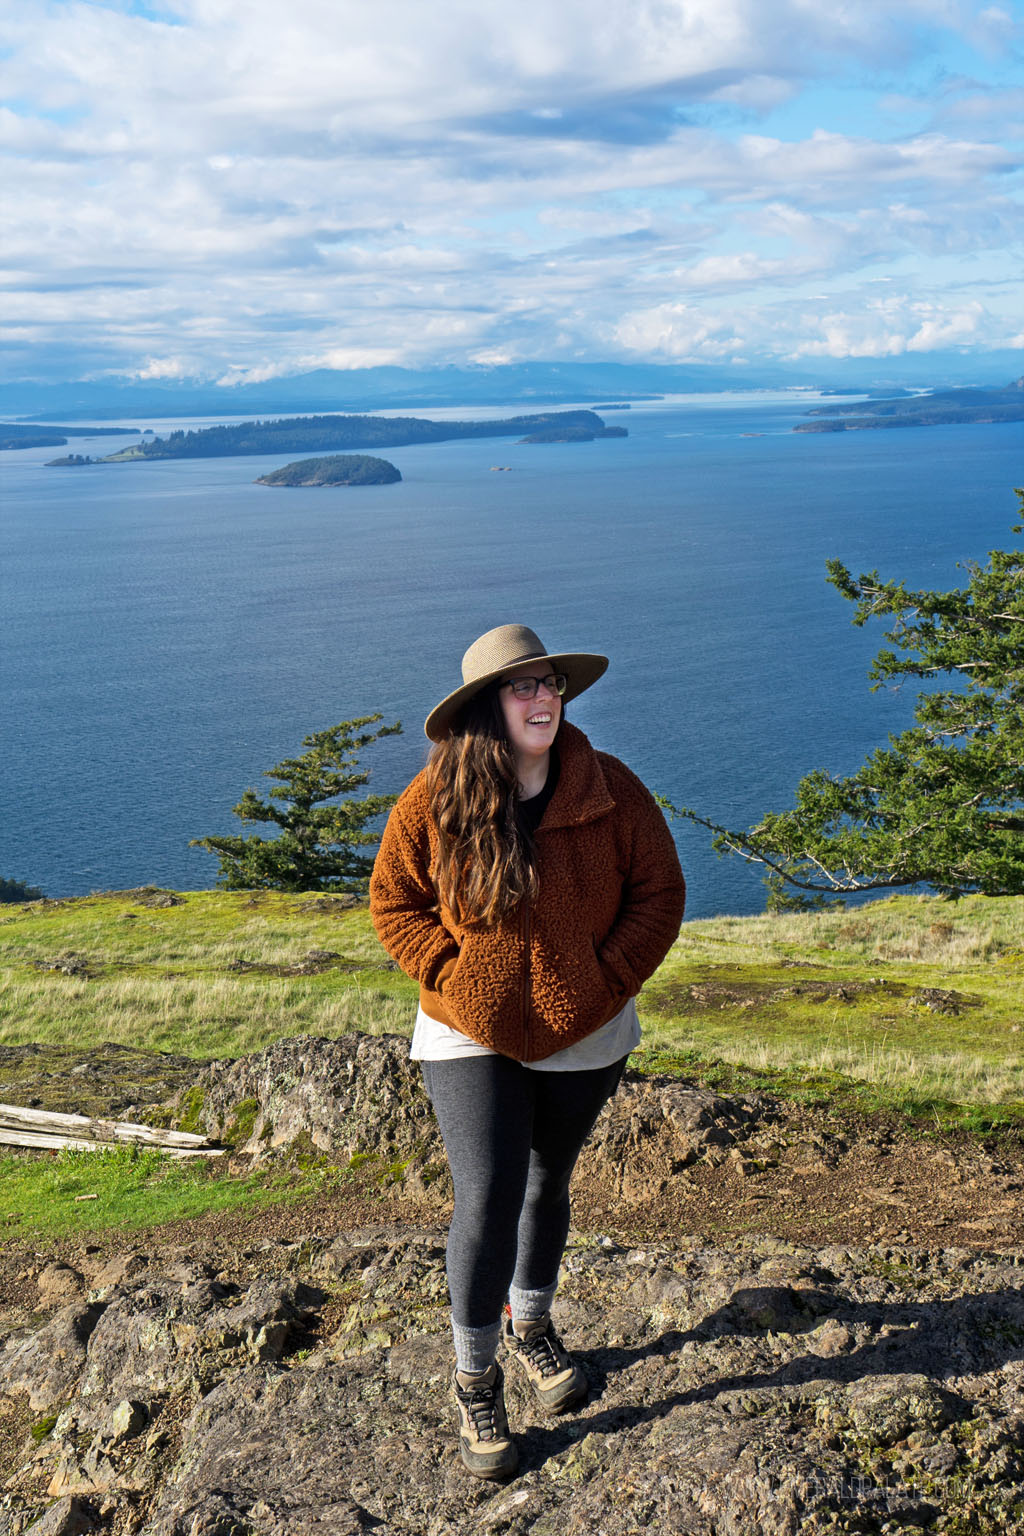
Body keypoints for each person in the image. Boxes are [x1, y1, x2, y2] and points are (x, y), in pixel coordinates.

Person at [369, 623, 686, 1479]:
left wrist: (606, 978)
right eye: (522, 687)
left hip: (587, 1024)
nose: (543, 697)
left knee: (549, 1182)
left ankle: (532, 1327)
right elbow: (394, 902)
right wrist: (448, 973)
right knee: (489, 1192)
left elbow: (661, 892)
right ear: (486, 707)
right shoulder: (434, 800)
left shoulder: (611, 789)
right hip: (464, 1028)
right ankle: (475, 1380)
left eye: (550, 683)